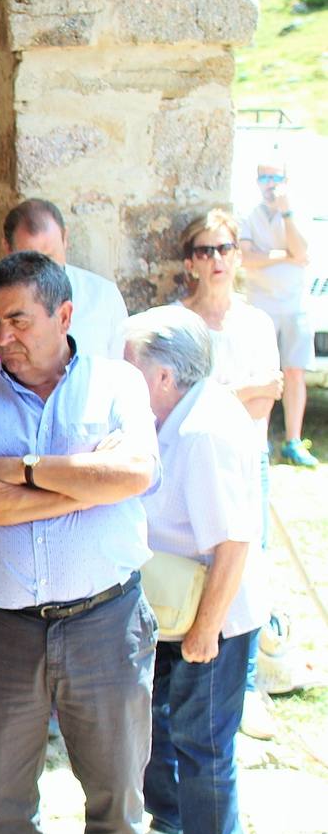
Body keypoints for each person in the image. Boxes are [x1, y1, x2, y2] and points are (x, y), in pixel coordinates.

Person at [0, 251, 160, 834]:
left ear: (64, 315)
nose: (3, 337)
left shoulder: (118, 384)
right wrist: (85, 483)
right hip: (0, 627)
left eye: (19, 320)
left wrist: (26, 468)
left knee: (117, 794)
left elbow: (137, 475)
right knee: (6, 796)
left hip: (105, 620)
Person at [121, 306, 260, 834]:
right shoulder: (179, 412)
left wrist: (208, 630)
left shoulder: (204, 431)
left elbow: (233, 543)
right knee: (162, 721)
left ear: (163, 377)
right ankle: (173, 821)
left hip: (213, 616)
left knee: (203, 736)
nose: (123, 376)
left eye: (132, 367)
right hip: (178, 606)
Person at [174, 209, 282, 740]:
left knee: (248, 571)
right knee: (193, 567)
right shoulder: (176, 325)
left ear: (238, 256)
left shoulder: (255, 323)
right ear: (189, 262)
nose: (215, 259)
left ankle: (247, 687)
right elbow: (175, 404)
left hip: (247, 463)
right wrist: (238, 393)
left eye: (224, 248)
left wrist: (213, 397)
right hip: (188, 465)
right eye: (204, 250)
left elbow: (269, 398)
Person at [0, 198, 129, 358]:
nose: (43, 272)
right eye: (30, 260)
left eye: (50, 258)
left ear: (65, 239)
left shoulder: (104, 298)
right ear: (8, 249)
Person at [240, 161, 317, 467]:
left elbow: (301, 250)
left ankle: (293, 441)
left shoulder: (299, 210)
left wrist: (286, 213)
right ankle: (260, 440)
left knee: (295, 373)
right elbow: (246, 258)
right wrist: (283, 255)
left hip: (295, 306)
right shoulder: (249, 214)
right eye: (264, 178)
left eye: (275, 177)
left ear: (286, 179)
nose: (270, 184)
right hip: (261, 306)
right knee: (263, 374)